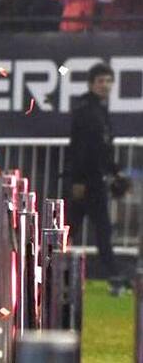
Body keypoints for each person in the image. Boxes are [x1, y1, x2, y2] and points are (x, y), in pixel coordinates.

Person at [66, 62, 126, 290]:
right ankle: (114, 275)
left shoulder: (100, 111)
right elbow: (80, 147)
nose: (105, 85)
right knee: (96, 229)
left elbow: (103, 149)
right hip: (87, 181)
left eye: (109, 81)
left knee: (75, 228)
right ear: (91, 84)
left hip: (94, 179)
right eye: (101, 81)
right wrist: (78, 180)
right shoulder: (86, 112)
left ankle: (45, 266)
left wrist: (116, 172)